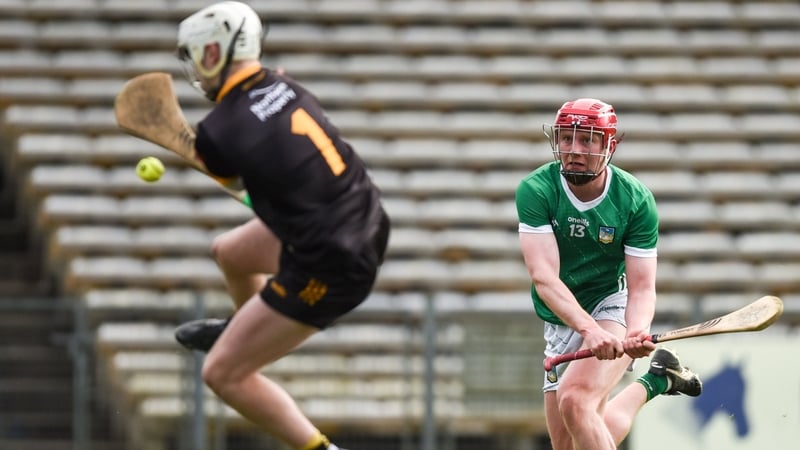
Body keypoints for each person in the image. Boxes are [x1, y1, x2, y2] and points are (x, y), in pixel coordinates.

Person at [170, 2, 390, 450]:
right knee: (229, 252)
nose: (197, 68)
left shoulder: (221, 129)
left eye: (199, 56)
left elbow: (221, 161)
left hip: (330, 263)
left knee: (222, 374)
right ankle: (244, 329)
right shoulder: (284, 84)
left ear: (215, 52)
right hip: (364, 217)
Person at [515, 98, 702, 450]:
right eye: (567, 138)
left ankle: (653, 376)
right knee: (569, 444)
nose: (574, 150)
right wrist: (588, 330)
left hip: (610, 304)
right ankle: (656, 381)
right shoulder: (537, 190)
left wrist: (636, 331)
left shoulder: (634, 200)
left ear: (609, 146)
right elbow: (544, 278)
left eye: (587, 140)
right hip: (563, 316)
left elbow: (643, 287)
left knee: (574, 400)